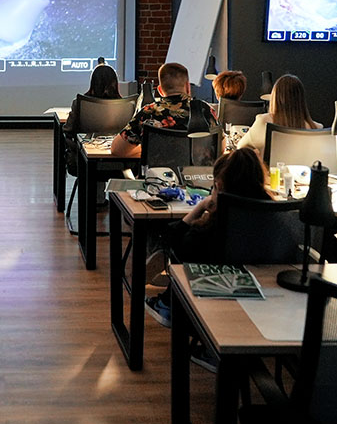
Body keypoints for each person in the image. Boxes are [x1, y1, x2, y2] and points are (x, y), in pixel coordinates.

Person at [144, 147, 270, 328]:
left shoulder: (209, 230)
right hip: (262, 299)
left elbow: (174, 244)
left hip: (213, 302)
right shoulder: (274, 217)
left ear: (218, 186)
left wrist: (200, 208)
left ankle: (167, 304)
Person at [110, 62, 217, 158]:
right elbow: (219, 148)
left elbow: (117, 150)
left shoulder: (148, 112)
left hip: (157, 174)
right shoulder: (205, 110)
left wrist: (147, 149)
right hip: (197, 173)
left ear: (160, 90)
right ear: (188, 87)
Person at [235, 74, 321, 153]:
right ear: (301, 99)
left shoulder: (264, 122)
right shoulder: (317, 129)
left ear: (275, 97)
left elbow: (241, 147)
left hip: (272, 166)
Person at [61, 64, 122, 175]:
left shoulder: (80, 103)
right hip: (118, 162)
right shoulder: (125, 105)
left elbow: (67, 130)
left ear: (93, 82)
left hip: (84, 161)